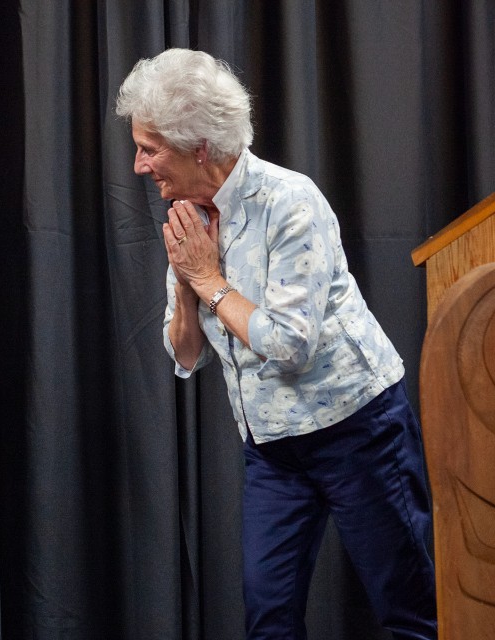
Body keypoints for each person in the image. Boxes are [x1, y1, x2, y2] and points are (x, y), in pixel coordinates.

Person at [116, 49, 437, 640]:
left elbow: (289, 344)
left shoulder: (292, 203)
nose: (138, 165)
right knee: (268, 617)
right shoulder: (189, 218)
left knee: (407, 609)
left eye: (150, 147)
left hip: (357, 429)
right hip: (272, 449)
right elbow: (186, 355)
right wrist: (187, 289)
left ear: (200, 147)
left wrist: (209, 281)